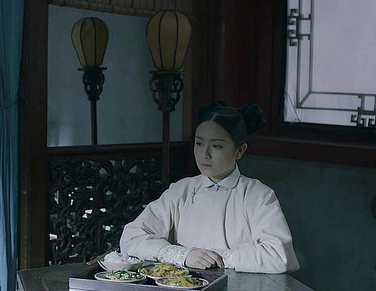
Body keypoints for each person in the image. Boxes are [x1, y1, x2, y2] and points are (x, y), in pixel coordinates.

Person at [120, 102, 299, 274]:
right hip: (184, 288)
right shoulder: (181, 190)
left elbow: (280, 256)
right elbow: (132, 237)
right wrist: (183, 255)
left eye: (216, 146)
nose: (204, 154)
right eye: (199, 143)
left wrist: (216, 258)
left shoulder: (258, 195)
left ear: (240, 151)